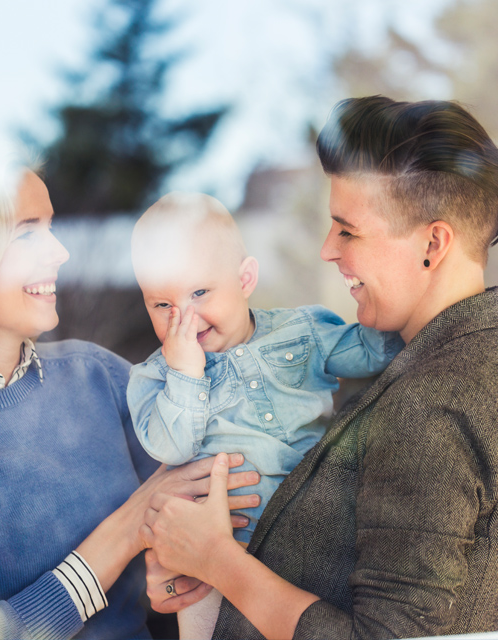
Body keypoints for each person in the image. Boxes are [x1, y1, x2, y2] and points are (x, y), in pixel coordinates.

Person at [0, 140, 258, 640]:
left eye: (50, 228)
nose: (61, 251)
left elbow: (225, 499)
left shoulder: (99, 377)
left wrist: (178, 573)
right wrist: (128, 527)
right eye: (27, 234)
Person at [141, 95, 498, 640]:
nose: (328, 249)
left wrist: (218, 562)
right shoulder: (461, 365)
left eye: (348, 229)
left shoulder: (432, 405)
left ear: (433, 242)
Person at [127, 192, 403, 637]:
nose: (184, 318)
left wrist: (395, 292)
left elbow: (375, 353)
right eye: (162, 304)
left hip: (315, 536)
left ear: (245, 279)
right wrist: (186, 375)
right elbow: (170, 445)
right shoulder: (155, 378)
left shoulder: (303, 330)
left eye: (199, 292)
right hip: (211, 562)